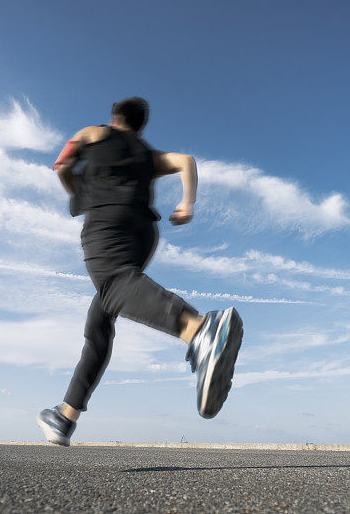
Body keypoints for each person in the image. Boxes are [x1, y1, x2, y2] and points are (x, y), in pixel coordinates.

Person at [37, 97, 244, 446]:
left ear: (115, 117)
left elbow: (62, 164)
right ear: (140, 125)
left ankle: (199, 331)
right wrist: (187, 203)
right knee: (100, 320)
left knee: (115, 284)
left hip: (108, 223)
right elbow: (185, 161)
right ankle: (65, 414)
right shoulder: (147, 155)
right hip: (143, 234)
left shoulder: (94, 133)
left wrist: (79, 190)